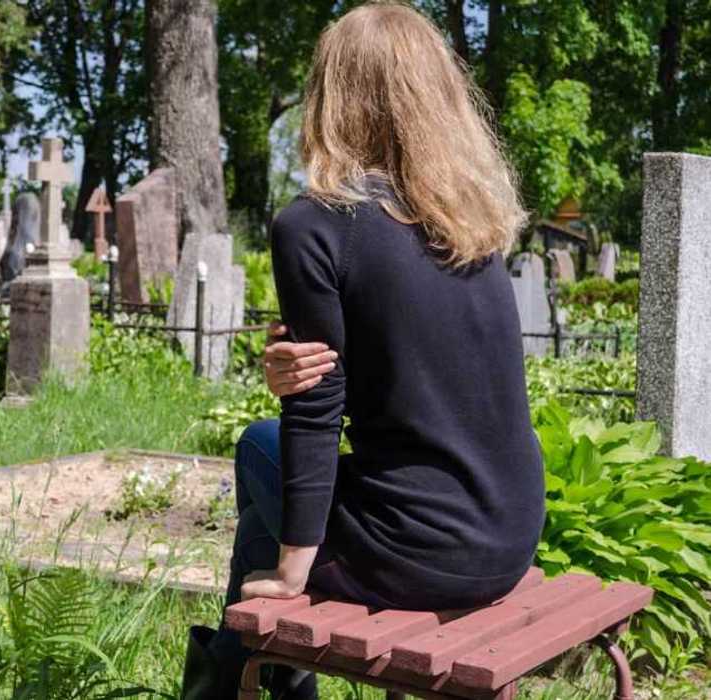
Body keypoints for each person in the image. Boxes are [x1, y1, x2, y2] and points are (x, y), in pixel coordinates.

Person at [180, 4, 546, 698]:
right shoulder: (472, 224)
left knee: (260, 451)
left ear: (332, 93)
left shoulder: (313, 223)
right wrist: (300, 360)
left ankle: (234, 680)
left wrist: (294, 569)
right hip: (509, 531)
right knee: (267, 473)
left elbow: (316, 412)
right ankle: (245, 677)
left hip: (421, 551)